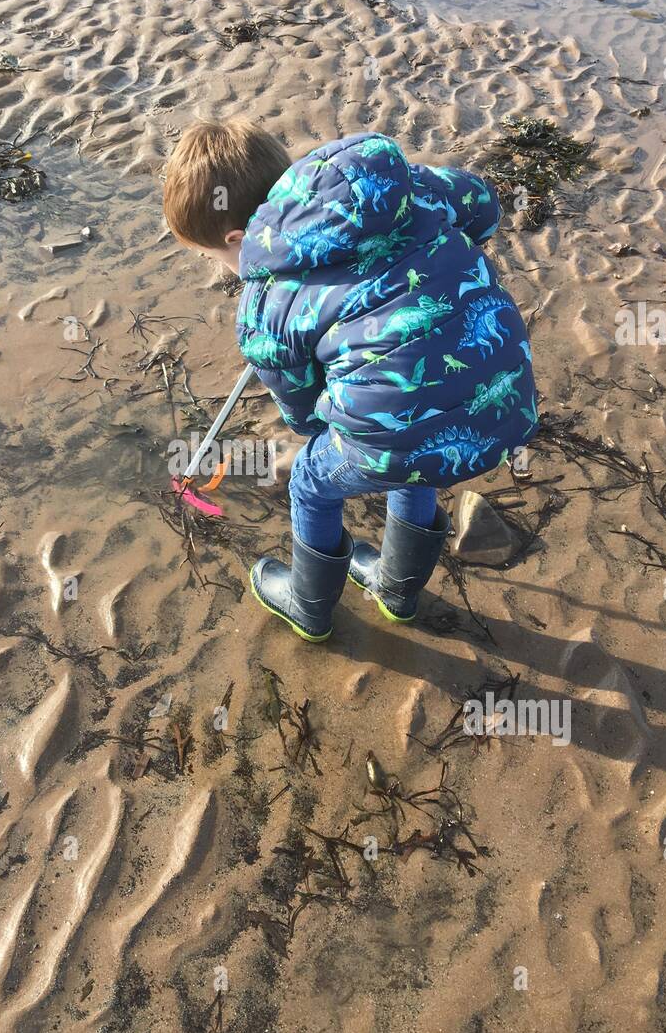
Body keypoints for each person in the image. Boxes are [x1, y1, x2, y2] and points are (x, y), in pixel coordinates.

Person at [163, 120, 538, 642]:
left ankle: (308, 608)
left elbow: (299, 408)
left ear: (237, 240)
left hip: (401, 432)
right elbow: (482, 203)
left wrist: (316, 422)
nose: (229, 271)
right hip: (509, 396)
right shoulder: (399, 187)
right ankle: (397, 591)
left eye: (217, 259)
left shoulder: (264, 306)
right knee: (418, 445)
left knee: (312, 481)